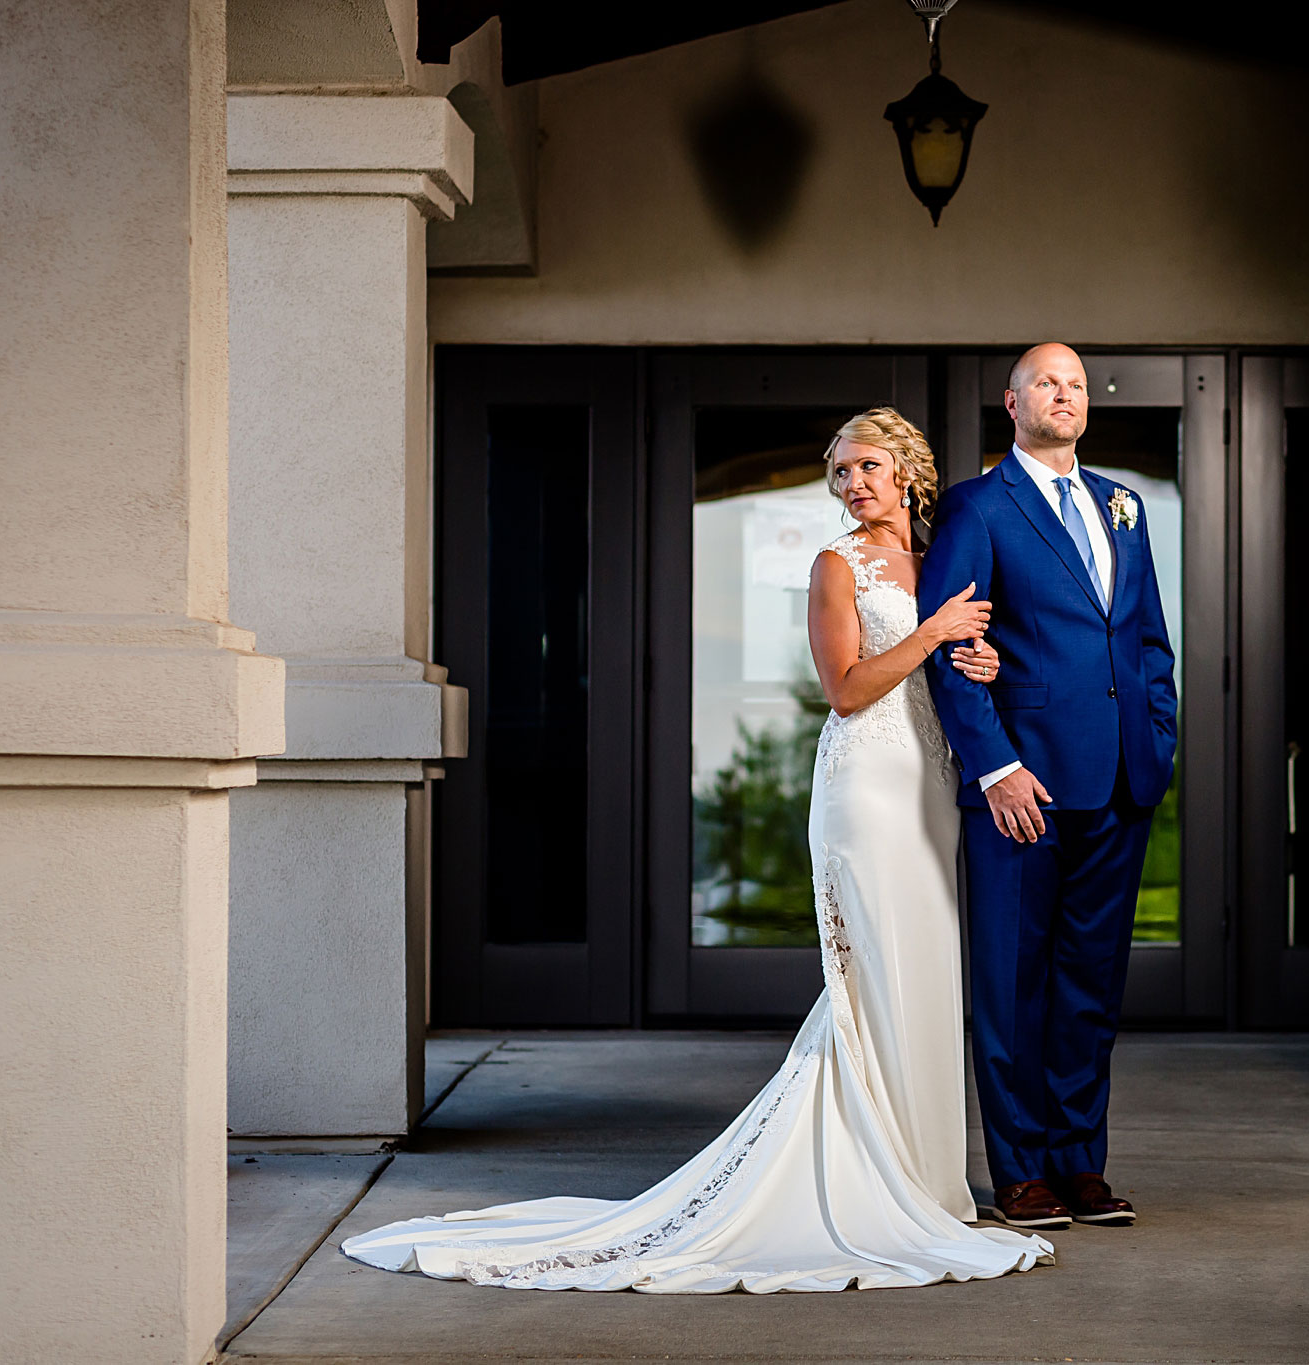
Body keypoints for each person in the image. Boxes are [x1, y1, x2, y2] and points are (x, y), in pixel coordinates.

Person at [339, 408, 1051, 1292]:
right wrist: (931, 636)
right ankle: (873, 1182)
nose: (853, 485)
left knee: (925, 973)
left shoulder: (938, 558)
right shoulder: (837, 565)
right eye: (840, 474)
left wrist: (968, 663)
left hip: (929, 786)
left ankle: (929, 1183)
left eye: (866, 467)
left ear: (906, 470)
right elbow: (846, 688)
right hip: (865, 790)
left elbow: (948, 667)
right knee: (871, 977)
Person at [919, 343, 1178, 1231]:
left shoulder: (1127, 506)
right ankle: (1021, 1170)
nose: (1062, 395)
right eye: (1045, 383)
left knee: (1090, 986)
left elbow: (1146, 643)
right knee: (1013, 982)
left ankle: (1080, 1163)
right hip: (1019, 789)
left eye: (1074, 384)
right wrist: (994, 767)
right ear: (1012, 401)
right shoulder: (978, 508)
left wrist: (1157, 741)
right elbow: (953, 650)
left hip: (1118, 783)